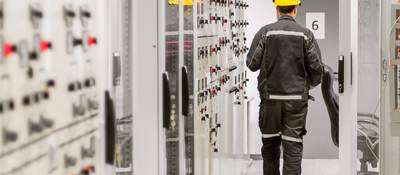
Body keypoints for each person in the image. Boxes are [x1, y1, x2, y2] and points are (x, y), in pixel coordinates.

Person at [246, 0, 324, 175]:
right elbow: (318, 70)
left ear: (277, 8)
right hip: (296, 103)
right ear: (295, 9)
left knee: (270, 148)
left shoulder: (265, 32)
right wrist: (305, 86)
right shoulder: (306, 34)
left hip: (270, 102)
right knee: (293, 149)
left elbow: (252, 63)